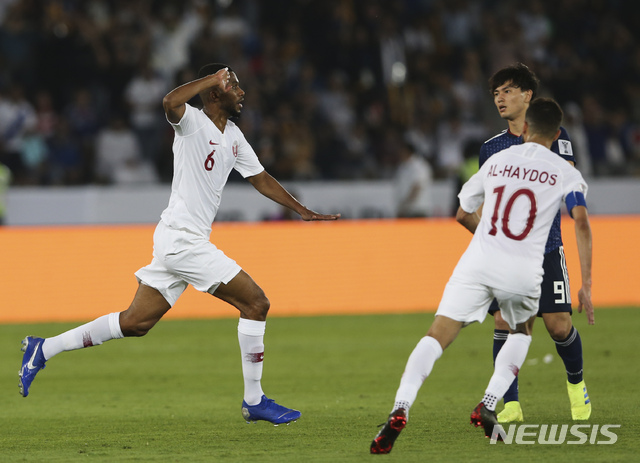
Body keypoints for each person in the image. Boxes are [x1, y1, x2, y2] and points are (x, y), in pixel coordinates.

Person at [19, 64, 340, 426]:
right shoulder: (191, 123)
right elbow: (169, 100)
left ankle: (43, 348)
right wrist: (212, 78)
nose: (243, 92)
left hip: (178, 239)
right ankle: (254, 400)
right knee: (256, 302)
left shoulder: (233, 136)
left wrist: (301, 210)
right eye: (234, 86)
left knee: (135, 322)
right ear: (216, 92)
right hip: (183, 241)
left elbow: (261, 178)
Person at [370, 98, 593, 453]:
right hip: (522, 267)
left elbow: (462, 212)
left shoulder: (497, 159)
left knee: (436, 336)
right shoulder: (564, 171)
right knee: (521, 331)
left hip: (478, 260)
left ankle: (400, 407)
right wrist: (588, 283)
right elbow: (580, 220)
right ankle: (489, 402)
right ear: (556, 133)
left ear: (527, 128)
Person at [479, 63, 591, 423]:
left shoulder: (557, 138)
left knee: (558, 325)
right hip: (505, 254)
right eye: (496, 93)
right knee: (504, 323)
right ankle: (510, 404)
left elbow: (566, 187)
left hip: (546, 249)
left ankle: (577, 385)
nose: (500, 98)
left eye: (508, 91)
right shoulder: (491, 148)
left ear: (528, 96)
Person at [393, 141, 433, 218]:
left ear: (406, 152)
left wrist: (405, 207)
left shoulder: (419, 166)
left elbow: (417, 187)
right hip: (408, 211)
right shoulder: (402, 166)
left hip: (418, 210)